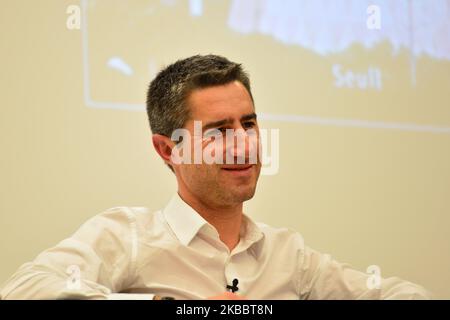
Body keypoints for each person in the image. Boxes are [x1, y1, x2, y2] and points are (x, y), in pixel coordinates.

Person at [0, 55, 431, 300]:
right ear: (168, 149)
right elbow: (25, 290)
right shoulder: (127, 235)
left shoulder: (289, 256)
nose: (244, 144)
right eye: (219, 131)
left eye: (249, 123)